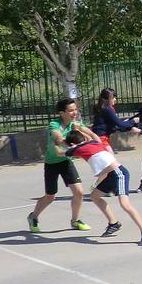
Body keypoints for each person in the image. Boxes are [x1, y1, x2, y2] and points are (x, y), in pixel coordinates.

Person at [62, 129, 142, 246]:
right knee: (94, 196)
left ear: (73, 144)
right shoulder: (93, 142)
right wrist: (80, 129)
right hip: (110, 174)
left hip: (118, 173)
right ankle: (113, 223)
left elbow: (63, 152)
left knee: (125, 204)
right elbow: (91, 136)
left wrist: (57, 141)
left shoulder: (78, 149)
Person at [28, 97, 93, 234]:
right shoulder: (54, 124)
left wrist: (86, 137)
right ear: (61, 112)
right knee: (50, 196)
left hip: (66, 162)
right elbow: (58, 140)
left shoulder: (76, 124)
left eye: (75, 109)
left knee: (79, 192)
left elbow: (89, 136)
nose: (74, 113)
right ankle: (33, 217)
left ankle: (75, 221)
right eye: (70, 110)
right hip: (52, 163)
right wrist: (73, 147)